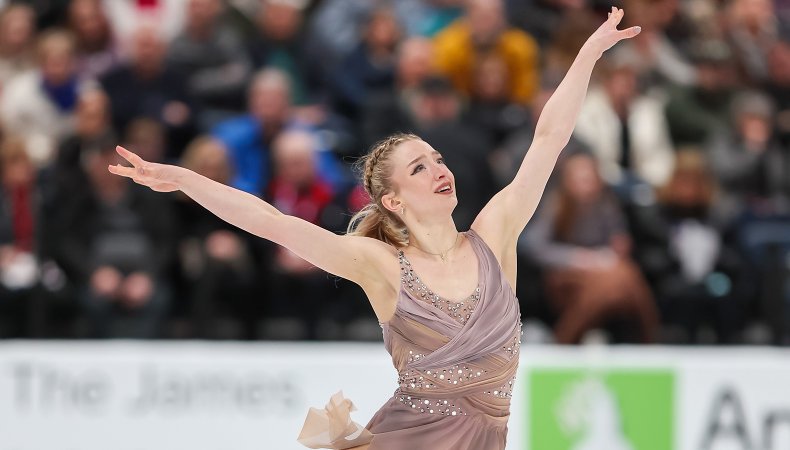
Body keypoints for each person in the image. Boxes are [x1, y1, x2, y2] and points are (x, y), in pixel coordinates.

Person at [108, 8, 640, 449]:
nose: (439, 169)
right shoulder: (382, 265)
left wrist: (587, 54)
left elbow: (548, 138)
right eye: (419, 168)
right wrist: (184, 179)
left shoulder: (495, 235)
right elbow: (271, 222)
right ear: (392, 200)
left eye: (436, 158)